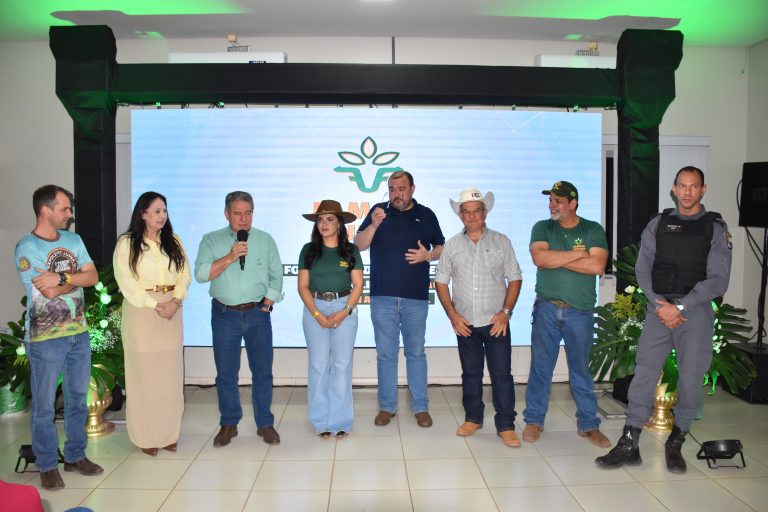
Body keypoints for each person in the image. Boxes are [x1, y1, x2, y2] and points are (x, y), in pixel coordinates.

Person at [597, 166, 732, 473]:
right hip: (659, 309)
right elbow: (643, 268)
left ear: (703, 190)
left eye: (694, 186)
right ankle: (629, 443)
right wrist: (661, 305)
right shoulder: (658, 224)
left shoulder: (715, 229)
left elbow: (718, 279)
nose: (687, 192)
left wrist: (680, 307)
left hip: (695, 312)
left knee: (690, 380)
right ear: (674, 189)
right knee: (644, 374)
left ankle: (676, 442)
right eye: (682, 186)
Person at [14, 185, 103, 490]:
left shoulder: (73, 240)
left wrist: (63, 277)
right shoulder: (27, 248)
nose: (70, 214)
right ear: (45, 210)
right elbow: (48, 292)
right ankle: (47, 464)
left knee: (78, 400)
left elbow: (92, 277)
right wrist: (75, 279)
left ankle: (75, 455)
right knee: (44, 406)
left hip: (78, 333)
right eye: (64, 208)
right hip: (45, 339)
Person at [523, 181, 612, 448]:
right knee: (540, 368)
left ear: (573, 203)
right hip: (547, 309)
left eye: (558, 201)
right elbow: (540, 260)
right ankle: (534, 420)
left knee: (581, 370)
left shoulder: (592, 229)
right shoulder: (542, 227)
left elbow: (597, 266)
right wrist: (576, 255)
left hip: (580, 312)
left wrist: (557, 259)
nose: (552, 205)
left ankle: (589, 425)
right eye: (550, 200)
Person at [355, 170, 445, 428]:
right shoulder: (378, 212)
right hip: (382, 297)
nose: (396, 194)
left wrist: (428, 256)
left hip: (415, 298)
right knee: (386, 355)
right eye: (392, 189)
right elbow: (358, 244)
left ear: (412, 189)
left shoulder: (426, 214)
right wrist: (374, 225)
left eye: (402, 189)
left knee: (416, 353)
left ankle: (421, 407)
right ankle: (387, 407)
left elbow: (442, 247)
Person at [194, 191, 284, 446]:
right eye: (237, 214)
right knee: (226, 373)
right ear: (226, 214)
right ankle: (229, 423)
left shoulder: (265, 240)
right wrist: (230, 257)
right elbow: (201, 274)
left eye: (248, 213)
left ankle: (265, 423)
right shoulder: (211, 240)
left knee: (263, 372)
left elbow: (276, 275)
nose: (243, 219)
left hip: (258, 314)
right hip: (225, 315)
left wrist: (267, 304)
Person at [435, 188, 523, 447]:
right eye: (467, 212)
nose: (472, 216)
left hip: (496, 323)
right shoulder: (452, 245)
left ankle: (506, 425)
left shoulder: (501, 241)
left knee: (501, 375)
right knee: (471, 374)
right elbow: (441, 282)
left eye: (476, 211)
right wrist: (453, 316)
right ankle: (473, 418)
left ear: (485, 213)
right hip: (465, 323)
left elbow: (515, 278)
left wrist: (506, 313)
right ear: (460, 215)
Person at [113, 192, 191, 456]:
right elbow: (126, 281)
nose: (162, 216)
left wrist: (175, 301)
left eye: (164, 210)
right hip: (142, 310)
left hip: (172, 309)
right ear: (142, 213)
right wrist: (153, 304)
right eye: (157, 211)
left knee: (169, 375)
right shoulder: (127, 243)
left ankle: (168, 434)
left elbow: (184, 274)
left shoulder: (174, 241)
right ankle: (145, 436)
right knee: (144, 375)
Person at [297, 200, 364, 438]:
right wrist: (317, 314)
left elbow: (358, 285)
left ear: (339, 224)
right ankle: (321, 422)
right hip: (314, 308)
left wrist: (345, 311)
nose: (324, 224)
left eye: (330, 219)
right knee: (318, 366)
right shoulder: (308, 250)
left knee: (342, 366)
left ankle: (341, 421)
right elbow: (302, 286)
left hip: (343, 307)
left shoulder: (351, 251)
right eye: (320, 219)